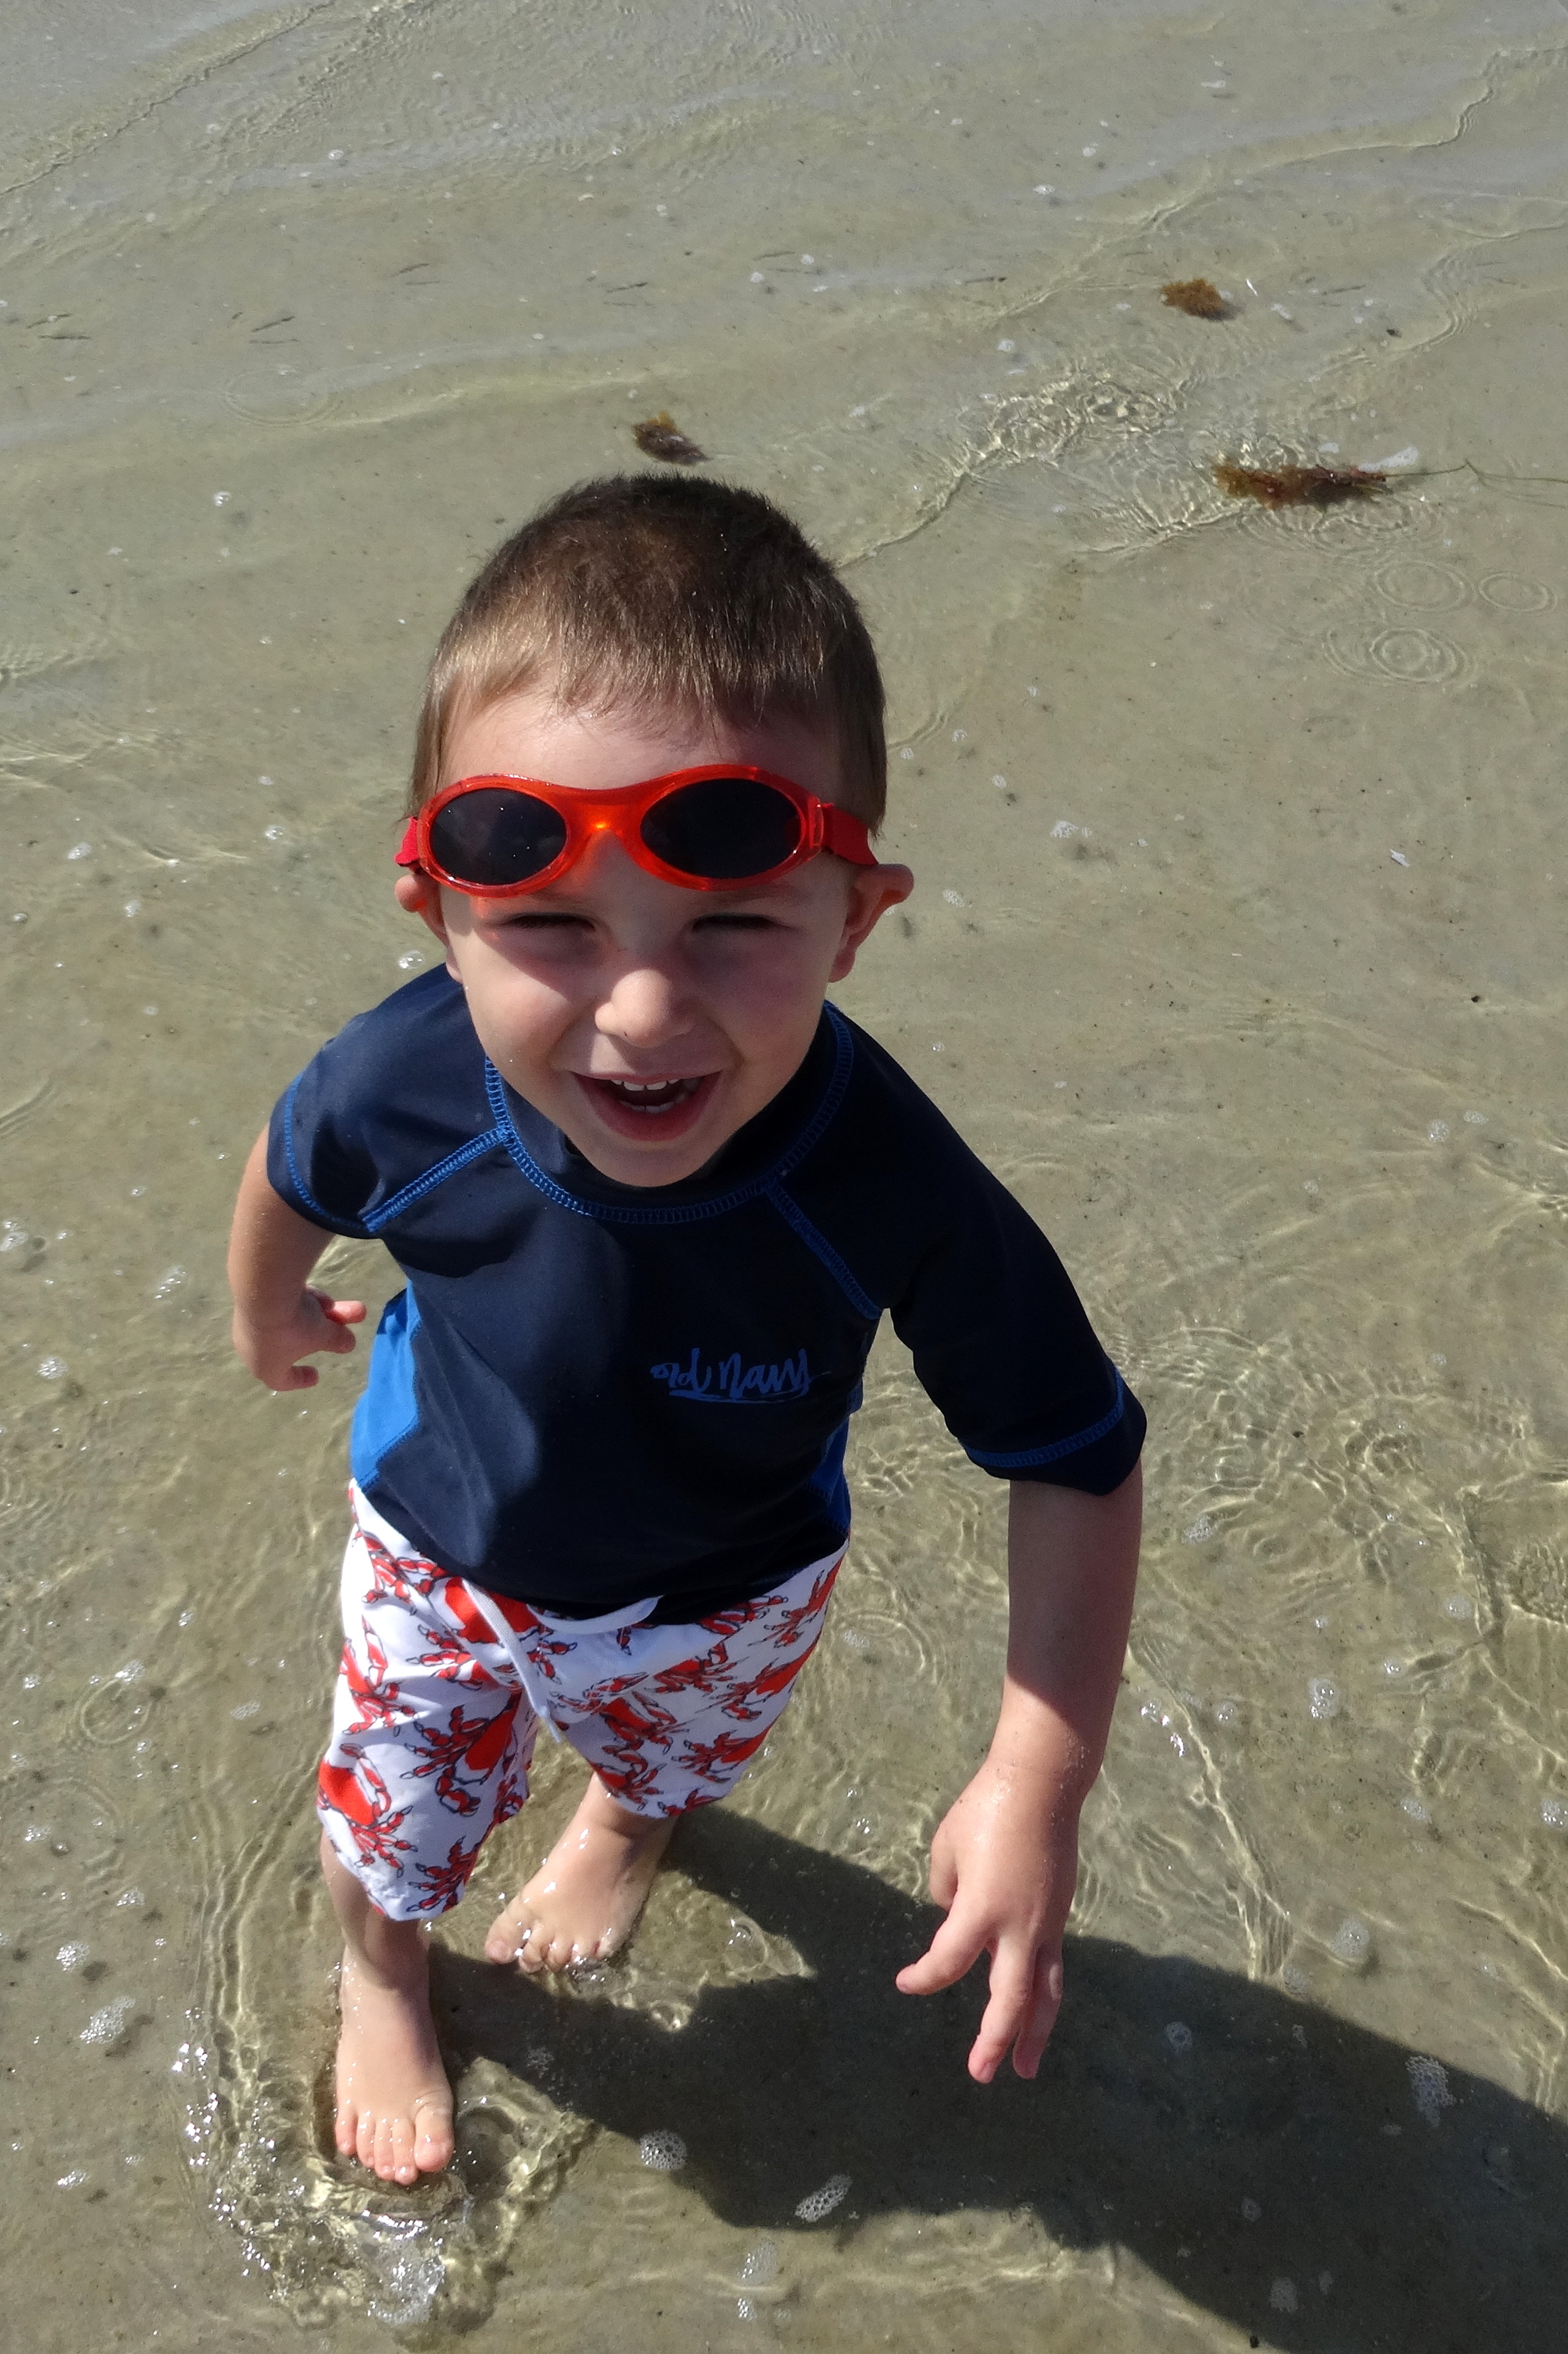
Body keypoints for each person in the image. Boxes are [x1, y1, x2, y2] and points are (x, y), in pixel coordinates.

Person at [227, 474, 1144, 2191]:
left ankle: (624, 1821)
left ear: (853, 917)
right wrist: (267, 1299)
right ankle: (387, 1975)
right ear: (439, 914)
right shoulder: (400, 1078)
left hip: (727, 1589)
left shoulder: (890, 1181)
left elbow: (1075, 1451)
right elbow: (295, 1163)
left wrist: (1039, 1773)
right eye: (549, 927)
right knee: (391, 1815)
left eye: (733, 923)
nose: (642, 1007)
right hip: (435, 1544)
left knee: (674, 1756)